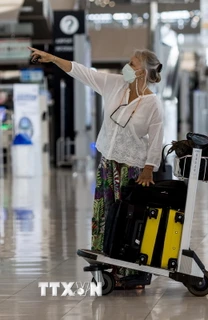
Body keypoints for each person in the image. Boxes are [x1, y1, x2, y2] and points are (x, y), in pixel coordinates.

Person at [29, 47, 164, 288]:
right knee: (104, 214)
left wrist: (148, 169)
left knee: (128, 219)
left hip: (132, 169)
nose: (126, 66)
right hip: (107, 164)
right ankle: (106, 265)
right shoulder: (114, 84)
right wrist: (52, 58)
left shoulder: (152, 103)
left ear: (142, 72)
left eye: (131, 64)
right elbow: (81, 72)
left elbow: (156, 138)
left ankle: (131, 272)